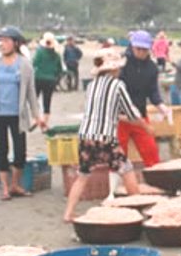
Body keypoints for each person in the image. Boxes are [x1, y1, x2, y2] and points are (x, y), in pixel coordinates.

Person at [63, 47, 151, 221]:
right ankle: (138, 211)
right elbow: (131, 113)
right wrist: (146, 127)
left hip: (86, 136)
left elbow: (102, 112)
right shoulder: (117, 85)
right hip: (105, 138)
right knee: (127, 169)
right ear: (114, 69)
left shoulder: (91, 86)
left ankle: (68, 213)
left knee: (83, 175)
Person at [0, 26, 46, 200]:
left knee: (20, 151)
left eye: (7, 41)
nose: (3, 44)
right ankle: (5, 188)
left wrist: (38, 116)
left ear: (16, 43)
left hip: (18, 115)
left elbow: (31, 93)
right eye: (2, 41)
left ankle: (15, 184)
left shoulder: (24, 65)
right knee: (2, 150)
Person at [119, 29, 169, 167]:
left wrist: (161, 106)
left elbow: (153, 92)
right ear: (132, 46)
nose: (141, 52)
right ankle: (116, 186)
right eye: (138, 48)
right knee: (118, 157)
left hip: (140, 117)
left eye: (144, 49)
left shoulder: (152, 68)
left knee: (151, 152)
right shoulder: (121, 65)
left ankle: (156, 181)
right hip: (120, 117)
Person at [33, 32, 63, 122]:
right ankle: (45, 121)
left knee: (35, 98)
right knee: (47, 100)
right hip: (50, 80)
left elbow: (34, 63)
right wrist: (56, 79)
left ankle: (36, 118)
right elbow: (59, 70)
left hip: (38, 78)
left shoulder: (39, 52)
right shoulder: (57, 55)